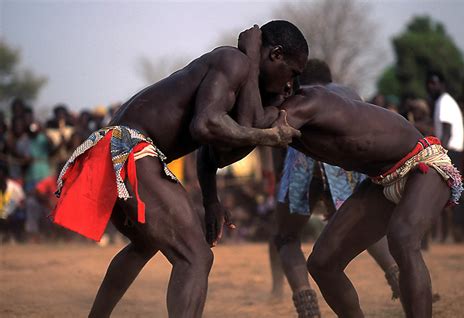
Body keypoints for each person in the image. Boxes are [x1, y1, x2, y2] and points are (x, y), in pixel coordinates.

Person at [199, 29, 463, 317]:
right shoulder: (284, 113)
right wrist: (210, 196)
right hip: (380, 181)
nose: (287, 84)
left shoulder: (307, 102)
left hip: (422, 164)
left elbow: (251, 123)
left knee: (402, 238)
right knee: (322, 264)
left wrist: (250, 57)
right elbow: (224, 145)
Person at [53, 21, 308, 318]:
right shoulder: (234, 61)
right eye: (293, 72)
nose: (290, 84)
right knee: (196, 258)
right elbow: (206, 124)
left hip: (112, 149)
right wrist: (267, 135)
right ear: (275, 54)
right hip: (131, 148)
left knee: (145, 242)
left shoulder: (239, 71)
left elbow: (212, 150)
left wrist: (211, 200)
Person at [267, 59, 401, 318]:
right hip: (346, 160)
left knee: (287, 236)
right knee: (366, 227)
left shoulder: (297, 95)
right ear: (329, 78)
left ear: (300, 78)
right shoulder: (350, 94)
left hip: (302, 161)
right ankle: (398, 278)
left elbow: (279, 140)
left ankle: (307, 306)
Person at [426, 71, 464, 244]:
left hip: (451, 151)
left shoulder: (444, 102)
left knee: (457, 195)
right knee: (455, 195)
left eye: (434, 82)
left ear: (442, 84)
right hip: (452, 151)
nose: (431, 86)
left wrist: (440, 154)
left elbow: (447, 131)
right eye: (429, 83)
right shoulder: (443, 102)